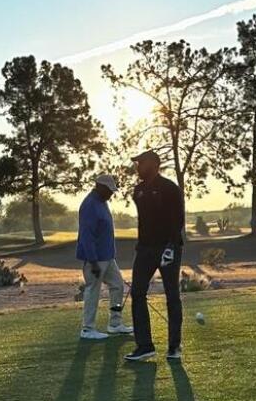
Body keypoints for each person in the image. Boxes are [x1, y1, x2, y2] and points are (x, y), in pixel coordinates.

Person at [124, 149, 185, 364]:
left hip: (168, 248)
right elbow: (145, 221)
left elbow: (177, 220)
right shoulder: (138, 190)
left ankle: (174, 346)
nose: (137, 167)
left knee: (172, 295)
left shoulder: (170, 188)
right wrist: (141, 245)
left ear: (152, 164)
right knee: (137, 293)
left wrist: (171, 246)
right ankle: (145, 346)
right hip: (145, 249)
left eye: (140, 163)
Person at [75, 172, 131, 342]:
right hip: (95, 259)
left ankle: (115, 324)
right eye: (109, 190)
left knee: (117, 285)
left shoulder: (102, 202)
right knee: (93, 290)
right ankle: (87, 329)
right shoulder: (90, 205)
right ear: (99, 187)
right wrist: (93, 262)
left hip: (107, 257)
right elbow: (87, 235)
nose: (111, 194)